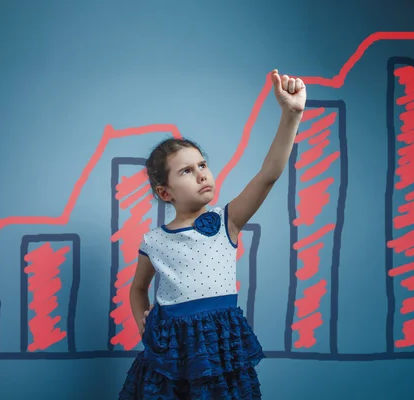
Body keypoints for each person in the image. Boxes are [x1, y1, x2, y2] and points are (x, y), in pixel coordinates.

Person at [118, 69, 307, 399]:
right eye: (187, 171)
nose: (202, 174)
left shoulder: (226, 222)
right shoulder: (154, 240)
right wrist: (143, 324)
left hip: (219, 346)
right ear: (165, 193)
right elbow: (137, 288)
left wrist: (291, 115)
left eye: (202, 165)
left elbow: (268, 175)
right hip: (169, 350)